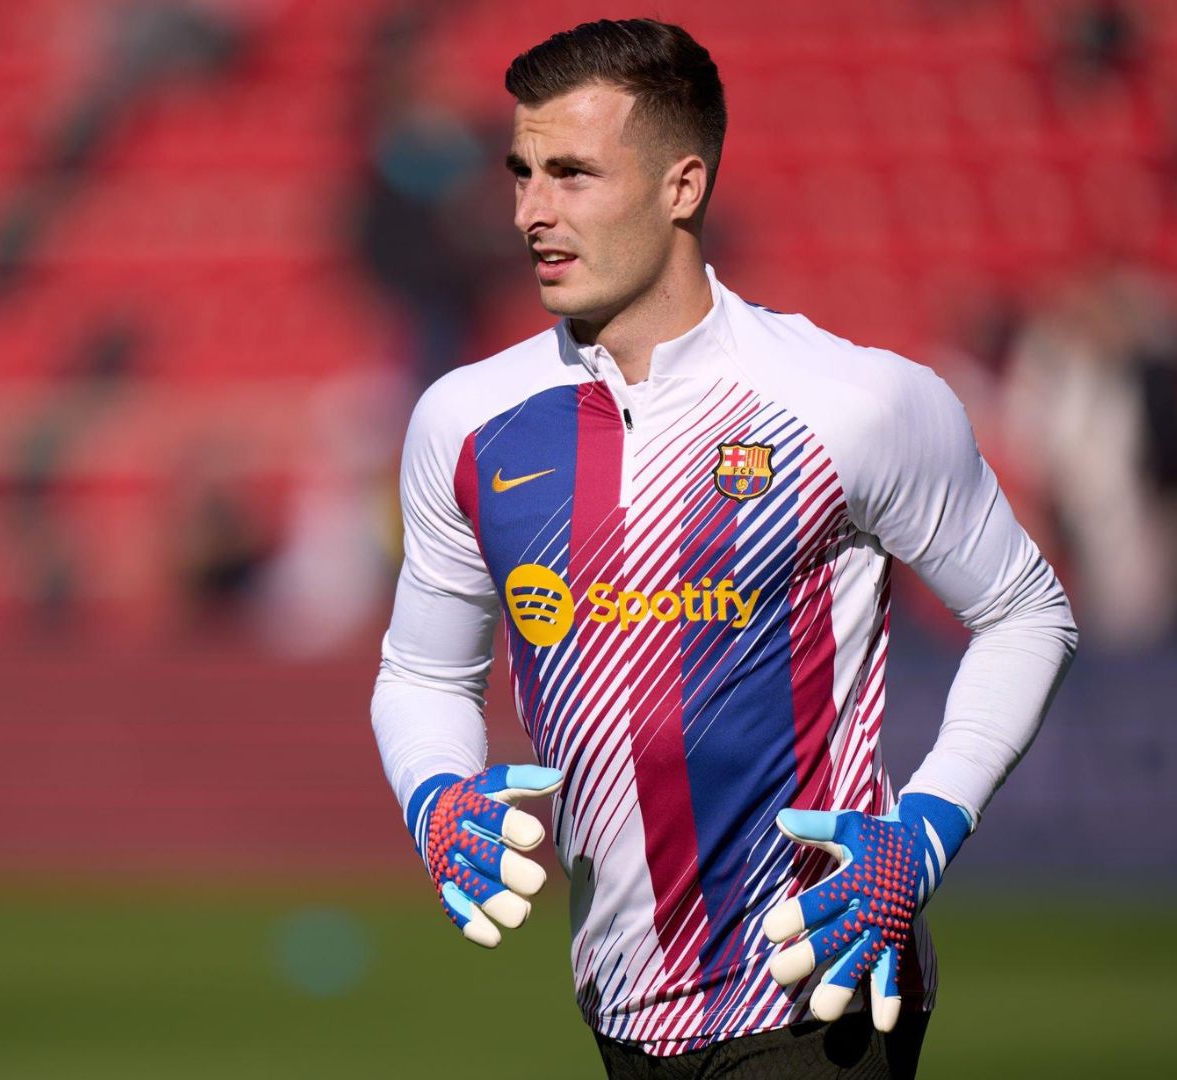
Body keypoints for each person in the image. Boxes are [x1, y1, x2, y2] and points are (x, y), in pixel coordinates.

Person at [371, 19, 1077, 1079]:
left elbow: (1025, 612)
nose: (528, 211)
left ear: (680, 186)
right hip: (615, 1000)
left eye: (571, 173)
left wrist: (925, 830)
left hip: (820, 985)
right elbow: (423, 670)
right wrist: (435, 792)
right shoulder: (464, 420)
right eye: (519, 173)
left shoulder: (853, 403)